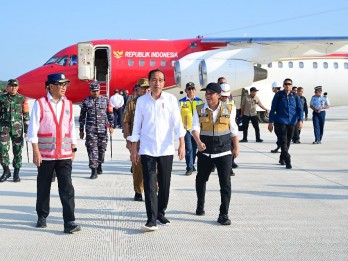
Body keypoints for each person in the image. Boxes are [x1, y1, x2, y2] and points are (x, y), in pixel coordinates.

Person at [128, 69, 186, 232]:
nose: (157, 83)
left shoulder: (171, 100)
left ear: (164, 83)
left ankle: (160, 212)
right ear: (149, 81)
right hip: (147, 149)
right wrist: (134, 149)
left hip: (166, 148)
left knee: (165, 185)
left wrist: (181, 143)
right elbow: (136, 126)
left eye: (160, 80)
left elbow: (178, 123)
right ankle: (151, 219)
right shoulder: (142, 101)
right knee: (149, 184)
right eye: (154, 80)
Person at [27, 73, 81, 233]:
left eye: (66, 84)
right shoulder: (40, 104)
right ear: (50, 86)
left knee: (67, 188)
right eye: (61, 84)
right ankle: (42, 216)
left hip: (64, 155)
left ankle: (69, 221)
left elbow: (71, 128)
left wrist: (74, 148)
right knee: (43, 186)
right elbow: (33, 129)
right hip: (45, 155)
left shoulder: (69, 105)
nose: (64, 87)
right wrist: (35, 151)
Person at [191, 82, 239, 225]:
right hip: (205, 152)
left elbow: (233, 128)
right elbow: (195, 127)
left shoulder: (229, 109)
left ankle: (223, 214)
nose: (208, 95)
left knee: (225, 184)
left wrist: (236, 147)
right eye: (206, 93)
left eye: (211, 93)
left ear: (218, 95)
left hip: (223, 152)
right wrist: (198, 142)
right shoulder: (199, 109)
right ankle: (200, 205)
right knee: (200, 180)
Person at [79, 81, 114, 179]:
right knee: (92, 150)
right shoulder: (86, 101)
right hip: (91, 130)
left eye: (97, 91)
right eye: (94, 91)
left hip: (103, 129)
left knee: (102, 149)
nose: (96, 93)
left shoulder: (105, 100)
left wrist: (111, 126)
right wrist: (81, 130)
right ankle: (93, 170)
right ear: (90, 91)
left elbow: (110, 114)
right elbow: (82, 117)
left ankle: (99, 165)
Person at [123, 78, 150, 201]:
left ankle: (153, 189)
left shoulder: (153, 102)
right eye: (142, 88)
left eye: (147, 88)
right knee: (137, 167)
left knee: (152, 168)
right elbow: (126, 122)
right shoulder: (132, 103)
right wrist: (128, 140)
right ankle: (138, 191)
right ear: (137, 89)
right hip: (137, 141)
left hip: (150, 140)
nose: (145, 90)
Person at [268, 78, 303, 169]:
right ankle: (288, 160)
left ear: (291, 86)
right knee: (283, 141)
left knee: (288, 141)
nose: (287, 85)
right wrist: (270, 122)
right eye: (286, 84)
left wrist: (300, 120)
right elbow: (273, 109)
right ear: (283, 86)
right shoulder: (278, 95)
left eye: (289, 84)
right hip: (280, 121)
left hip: (292, 122)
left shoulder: (295, 96)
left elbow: (300, 109)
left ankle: (282, 157)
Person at [0, 79, 30, 183]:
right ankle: (6, 171)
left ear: (17, 87)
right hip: (4, 128)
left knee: (17, 151)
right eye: (11, 86)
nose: (13, 88)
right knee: (2, 150)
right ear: (7, 87)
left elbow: (26, 114)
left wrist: (27, 128)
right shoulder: (1, 98)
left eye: (15, 86)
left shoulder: (22, 99)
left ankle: (16, 173)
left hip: (17, 129)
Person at [178, 82, 203, 176]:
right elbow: (178, 116)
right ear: (186, 91)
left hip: (196, 129)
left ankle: (192, 164)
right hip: (187, 129)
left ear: (195, 90)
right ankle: (189, 167)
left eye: (192, 89)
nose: (191, 91)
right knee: (188, 148)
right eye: (189, 89)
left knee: (195, 148)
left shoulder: (200, 101)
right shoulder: (181, 102)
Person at [219, 83, 238, 176]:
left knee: (229, 151)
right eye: (222, 96)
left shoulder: (232, 104)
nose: (224, 98)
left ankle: (229, 168)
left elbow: (232, 122)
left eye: (226, 96)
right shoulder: (214, 104)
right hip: (218, 132)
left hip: (228, 131)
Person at [270, 81, 282, 153]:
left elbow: (273, 108)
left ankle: (280, 147)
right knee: (279, 134)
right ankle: (279, 147)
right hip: (279, 118)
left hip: (278, 118)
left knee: (279, 133)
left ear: (275, 88)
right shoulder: (281, 94)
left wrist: (271, 121)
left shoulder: (277, 95)